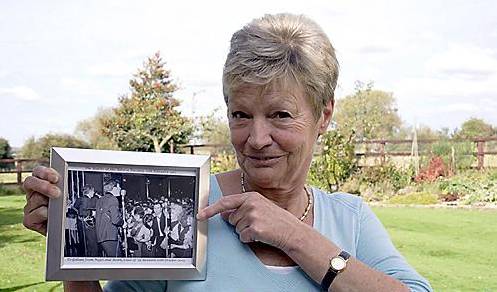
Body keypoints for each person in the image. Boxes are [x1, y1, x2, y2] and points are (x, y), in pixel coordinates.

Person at [22, 13, 432, 291]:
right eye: (240, 113)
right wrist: (72, 248)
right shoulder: (186, 206)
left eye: (280, 115)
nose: (255, 138)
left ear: (323, 116)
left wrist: (293, 235)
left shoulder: (350, 219)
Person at [73, 184, 98, 257]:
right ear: (89, 191)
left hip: (81, 222)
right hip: (88, 223)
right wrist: (91, 213)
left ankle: (84, 255)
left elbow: (74, 208)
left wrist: (79, 216)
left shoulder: (80, 199)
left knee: (83, 240)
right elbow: (83, 211)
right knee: (91, 241)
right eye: (93, 191)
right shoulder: (86, 199)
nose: (94, 192)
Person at [95, 191, 123, 257]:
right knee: (117, 260)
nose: (119, 189)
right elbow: (115, 220)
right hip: (110, 235)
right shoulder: (113, 199)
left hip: (101, 235)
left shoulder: (100, 200)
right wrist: (122, 223)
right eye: (118, 188)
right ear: (113, 188)